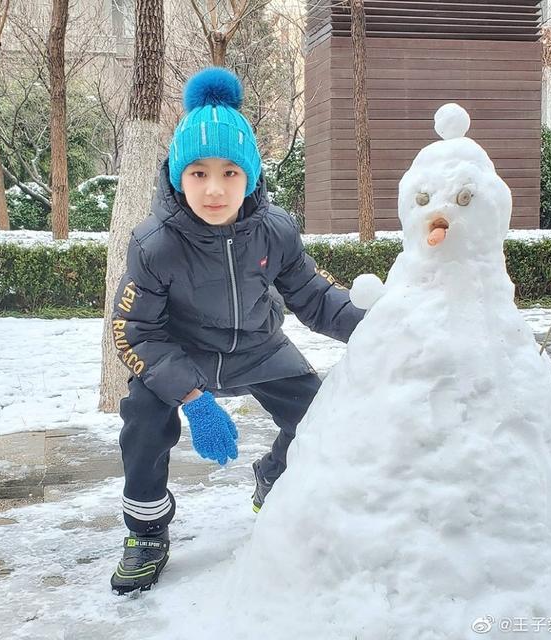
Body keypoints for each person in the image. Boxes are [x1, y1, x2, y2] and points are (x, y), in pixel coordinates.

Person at [109, 67, 364, 595]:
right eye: (199, 172)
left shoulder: (276, 229)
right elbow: (134, 332)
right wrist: (193, 397)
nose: (215, 189)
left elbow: (314, 297)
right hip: (184, 353)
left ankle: (273, 473)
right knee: (142, 417)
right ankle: (147, 532)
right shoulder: (155, 243)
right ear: (179, 175)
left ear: (250, 175)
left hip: (258, 347)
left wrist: (378, 328)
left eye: (230, 172)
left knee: (322, 413)